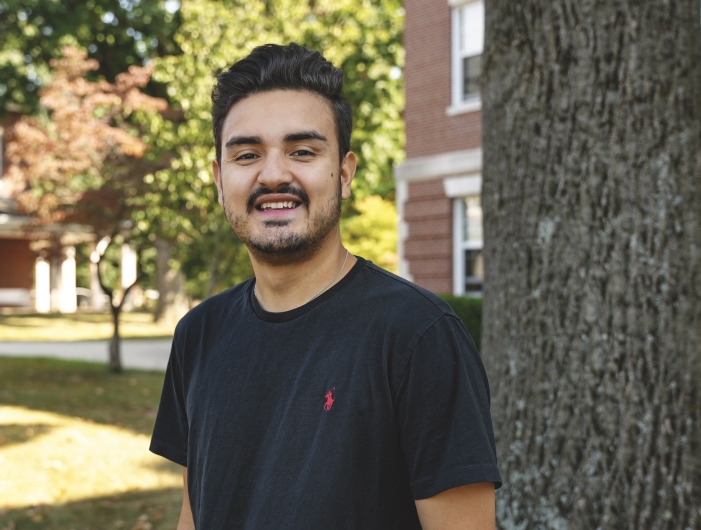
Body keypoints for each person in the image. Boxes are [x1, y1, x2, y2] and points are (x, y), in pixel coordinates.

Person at [150, 42, 501, 529]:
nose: (273, 174)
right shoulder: (198, 334)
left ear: (344, 173)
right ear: (218, 177)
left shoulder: (419, 336)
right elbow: (197, 511)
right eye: (247, 154)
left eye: (303, 151)